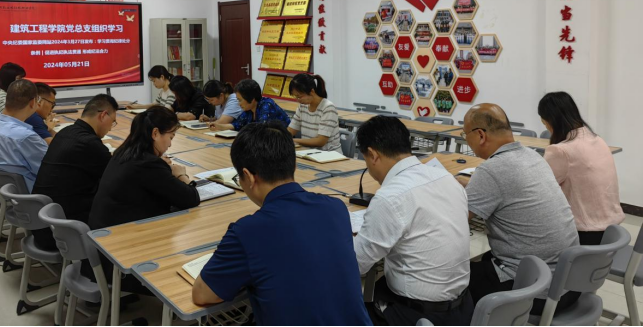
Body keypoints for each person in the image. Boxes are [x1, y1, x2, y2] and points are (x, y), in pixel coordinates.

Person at [192, 121, 372, 326]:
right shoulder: (336, 208)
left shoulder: (247, 232)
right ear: (294, 165)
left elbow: (202, 294)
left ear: (248, 177)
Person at [459, 103, 579, 314]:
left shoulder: (492, 170)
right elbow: (507, 189)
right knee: (483, 260)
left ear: (480, 135)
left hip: (533, 291)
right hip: (569, 282)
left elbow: (456, 219)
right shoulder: (533, 156)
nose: (465, 140)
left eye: (464, 135)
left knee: (450, 280)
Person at [354, 116, 473, 326]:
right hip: (463, 309)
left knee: (346, 306)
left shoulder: (390, 197)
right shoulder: (447, 178)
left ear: (372, 155)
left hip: (418, 316)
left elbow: (355, 265)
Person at [89, 105, 200, 230]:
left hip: (101, 230)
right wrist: (181, 175)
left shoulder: (123, 152)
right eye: (171, 137)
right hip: (120, 236)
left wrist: (161, 166)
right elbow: (191, 199)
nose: (170, 144)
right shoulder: (148, 164)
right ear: (155, 133)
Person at [32, 94, 118, 251]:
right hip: (66, 234)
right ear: (103, 115)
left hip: (43, 225)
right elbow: (118, 178)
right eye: (112, 122)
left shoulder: (66, 132)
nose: (111, 128)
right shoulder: (89, 143)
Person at [538, 91, 625, 246]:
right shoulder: (598, 140)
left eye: (545, 124)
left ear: (552, 122)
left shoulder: (561, 151)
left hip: (584, 235)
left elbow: (539, 189)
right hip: (611, 230)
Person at [0, 79, 48, 192]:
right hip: (33, 193)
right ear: (33, 102)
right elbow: (50, 170)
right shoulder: (25, 137)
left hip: (6, 191)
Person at [286, 73, 342, 152]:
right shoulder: (302, 107)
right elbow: (290, 131)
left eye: (299, 96)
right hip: (309, 152)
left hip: (329, 155)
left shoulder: (328, 108)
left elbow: (320, 141)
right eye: (295, 97)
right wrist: (281, 137)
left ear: (312, 91)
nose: (297, 100)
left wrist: (294, 141)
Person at [209, 79, 290, 132]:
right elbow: (237, 125)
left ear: (251, 99)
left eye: (240, 100)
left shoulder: (267, 105)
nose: (239, 103)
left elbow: (261, 130)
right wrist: (219, 126)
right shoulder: (249, 109)